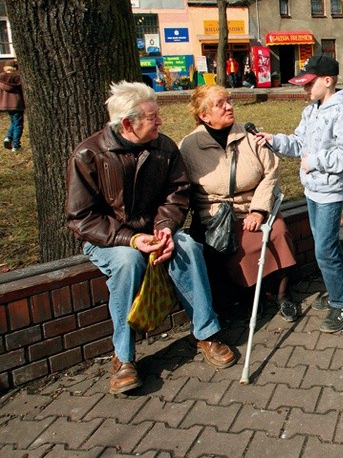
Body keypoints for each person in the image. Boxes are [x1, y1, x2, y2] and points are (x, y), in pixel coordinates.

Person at [66, 81, 235, 395]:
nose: (161, 121)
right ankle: (124, 358)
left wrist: (166, 229)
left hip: (155, 231)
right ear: (128, 124)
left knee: (188, 247)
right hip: (109, 240)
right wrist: (131, 240)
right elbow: (81, 218)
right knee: (129, 262)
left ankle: (205, 333)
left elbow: (177, 194)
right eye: (153, 117)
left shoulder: (164, 147)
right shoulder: (88, 155)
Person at [254, 54, 343, 333]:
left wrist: (315, 161)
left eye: (308, 83)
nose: (304, 89)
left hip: (330, 191)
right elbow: (299, 142)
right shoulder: (311, 110)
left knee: (324, 249)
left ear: (327, 81)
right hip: (312, 189)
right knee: (326, 245)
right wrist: (274, 140)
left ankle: (341, 301)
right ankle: (339, 290)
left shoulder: (342, 111)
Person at [179, 85, 299, 322]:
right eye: (220, 104)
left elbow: (271, 172)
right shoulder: (189, 146)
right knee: (240, 245)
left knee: (279, 233)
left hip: (256, 204)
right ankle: (250, 297)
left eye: (229, 101)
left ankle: (284, 295)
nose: (229, 107)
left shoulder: (249, 135)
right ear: (204, 116)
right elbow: (184, 187)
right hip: (218, 213)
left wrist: (258, 209)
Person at [0, 60, 24, 152]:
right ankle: (16, 145)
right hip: (17, 104)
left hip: (6, 104)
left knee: (13, 122)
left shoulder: (1, 77)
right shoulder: (18, 78)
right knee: (18, 124)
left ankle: (8, 138)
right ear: (15, 68)